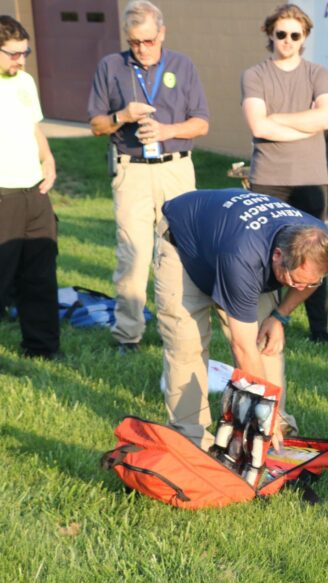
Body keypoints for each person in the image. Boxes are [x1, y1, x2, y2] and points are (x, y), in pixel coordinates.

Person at [154, 189, 328, 450]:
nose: (299, 285)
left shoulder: (318, 241)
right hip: (184, 245)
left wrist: (279, 316)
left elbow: (309, 282)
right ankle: (189, 438)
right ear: (278, 256)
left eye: (309, 280)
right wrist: (263, 412)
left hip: (229, 240)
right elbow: (242, 347)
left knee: (267, 341)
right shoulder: (243, 256)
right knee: (187, 344)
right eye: (293, 280)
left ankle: (276, 429)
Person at [87, 0, 209, 355]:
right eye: (134, 42)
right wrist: (122, 115)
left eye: (148, 41)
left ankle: (181, 327)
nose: (141, 49)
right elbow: (96, 125)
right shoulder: (111, 66)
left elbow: (201, 123)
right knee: (134, 254)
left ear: (162, 34)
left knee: (182, 251)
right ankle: (128, 334)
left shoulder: (182, 65)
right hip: (132, 171)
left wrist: (165, 130)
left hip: (176, 169)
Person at [242, 4, 328, 345]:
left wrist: (275, 120)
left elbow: (324, 120)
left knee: (317, 253)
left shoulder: (319, 73)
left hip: (311, 178)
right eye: (281, 34)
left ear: (305, 37)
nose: (287, 40)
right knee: (264, 253)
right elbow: (256, 124)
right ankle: (260, 321)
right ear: (270, 34)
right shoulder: (255, 75)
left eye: (295, 35)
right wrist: (304, 125)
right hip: (269, 176)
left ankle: (319, 331)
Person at [0, 16, 60, 360]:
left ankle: (42, 349)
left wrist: (48, 159)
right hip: (2, 194)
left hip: (35, 193)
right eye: (12, 54)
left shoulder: (25, 81)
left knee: (40, 274)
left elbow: (33, 126)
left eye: (25, 52)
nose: (20, 60)